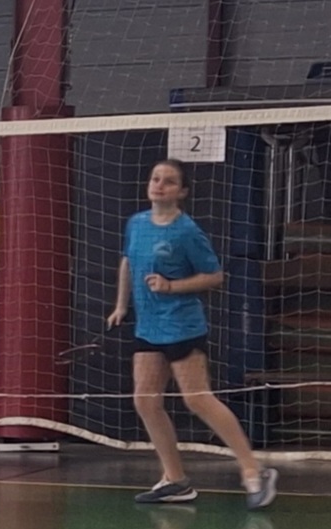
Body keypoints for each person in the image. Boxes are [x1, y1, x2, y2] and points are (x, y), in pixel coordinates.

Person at [107, 157, 277, 509]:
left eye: (168, 181)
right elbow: (127, 262)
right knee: (145, 400)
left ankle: (254, 469)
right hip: (148, 327)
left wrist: (171, 286)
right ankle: (175, 480)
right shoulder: (136, 223)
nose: (159, 185)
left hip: (182, 325)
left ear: (182, 192)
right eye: (155, 178)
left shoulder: (187, 232)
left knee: (198, 399)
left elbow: (214, 276)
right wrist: (121, 305)